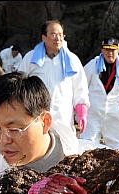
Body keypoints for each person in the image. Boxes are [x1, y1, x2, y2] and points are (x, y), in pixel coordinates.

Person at [18, 20, 90, 155]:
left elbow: (80, 86)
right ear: (43, 37)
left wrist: (82, 110)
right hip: (37, 113)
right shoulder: (31, 58)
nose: (58, 38)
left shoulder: (72, 60)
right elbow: (20, 84)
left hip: (63, 114)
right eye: (53, 34)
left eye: (61, 34)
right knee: (36, 149)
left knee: (67, 150)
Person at [81, 38, 119, 147]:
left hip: (114, 113)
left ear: (118, 50)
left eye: (113, 50)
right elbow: (80, 85)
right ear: (102, 50)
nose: (110, 53)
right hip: (93, 113)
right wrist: (80, 107)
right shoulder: (92, 65)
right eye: (107, 49)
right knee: (86, 145)